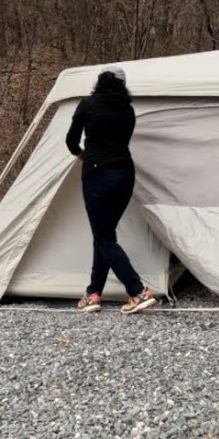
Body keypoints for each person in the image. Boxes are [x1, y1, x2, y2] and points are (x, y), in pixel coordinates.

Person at [65, 67, 158, 315]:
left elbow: (71, 141)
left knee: (104, 237)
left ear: (99, 82)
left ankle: (138, 292)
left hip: (97, 175)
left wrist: (82, 155)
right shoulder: (128, 110)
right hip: (125, 174)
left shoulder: (88, 104)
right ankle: (93, 294)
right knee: (104, 234)